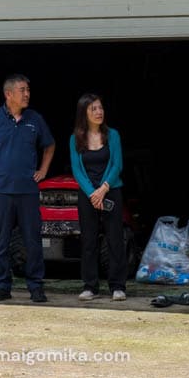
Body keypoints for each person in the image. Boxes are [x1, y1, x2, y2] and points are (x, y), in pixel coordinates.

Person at [0, 74, 55, 303]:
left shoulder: (35, 119)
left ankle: (36, 287)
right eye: (22, 90)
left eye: (28, 90)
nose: (27, 94)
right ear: (9, 94)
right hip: (1, 191)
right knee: (1, 241)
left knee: (32, 240)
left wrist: (43, 170)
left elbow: (50, 145)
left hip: (28, 191)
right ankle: (2, 287)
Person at [69, 92, 127, 301]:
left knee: (114, 239)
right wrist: (92, 193)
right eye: (93, 108)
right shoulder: (75, 139)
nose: (99, 112)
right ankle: (90, 286)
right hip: (88, 195)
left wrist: (103, 189)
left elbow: (117, 164)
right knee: (89, 240)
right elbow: (77, 170)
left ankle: (118, 286)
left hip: (110, 191)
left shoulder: (113, 135)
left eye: (100, 108)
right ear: (84, 112)